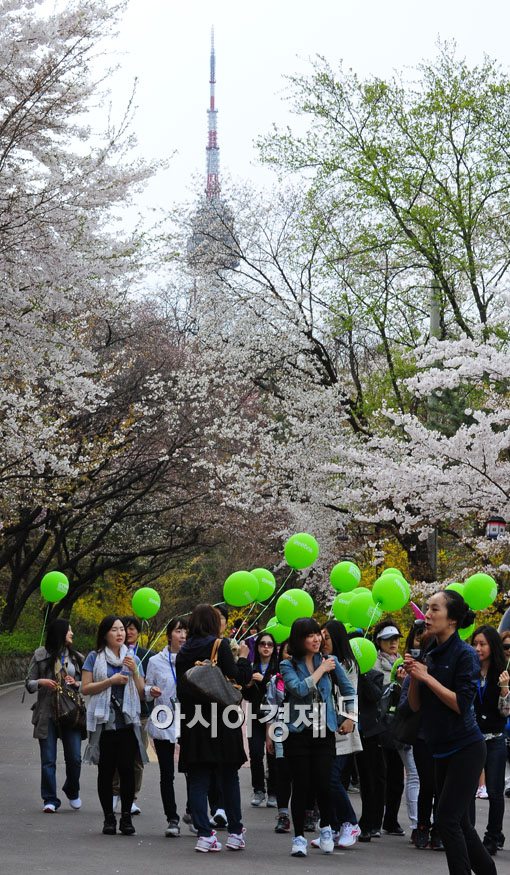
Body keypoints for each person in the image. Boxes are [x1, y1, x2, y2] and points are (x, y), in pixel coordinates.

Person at [405, 589, 497, 875]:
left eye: (434, 609)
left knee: (446, 819)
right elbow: (415, 705)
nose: (427, 615)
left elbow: (461, 704)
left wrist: (427, 677)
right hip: (439, 746)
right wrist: (413, 677)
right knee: (459, 822)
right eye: (427, 608)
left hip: (466, 747)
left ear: (452, 620)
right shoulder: (431, 652)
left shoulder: (465, 654)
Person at [176, 603, 253, 853]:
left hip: (194, 721)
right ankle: (234, 831)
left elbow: (181, 688)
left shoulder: (183, 651)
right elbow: (238, 678)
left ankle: (204, 834)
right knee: (228, 776)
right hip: (222, 719)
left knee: (198, 778)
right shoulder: (218, 646)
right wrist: (243, 657)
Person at [280, 617, 355, 858]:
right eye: (309, 635)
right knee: (301, 786)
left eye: (317, 634)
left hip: (324, 732)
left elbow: (349, 690)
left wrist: (350, 717)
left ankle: (326, 828)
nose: (316, 638)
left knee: (324, 783)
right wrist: (321, 670)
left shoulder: (332, 662)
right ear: (298, 640)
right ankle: (299, 837)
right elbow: (298, 689)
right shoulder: (288, 665)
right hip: (298, 732)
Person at [81, 615, 146, 836]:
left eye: (122, 630)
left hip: (128, 722)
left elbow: (140, 692)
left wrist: (135, 672)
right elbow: (86, 688)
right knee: (106, 771)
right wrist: (111, 680)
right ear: (105, 634)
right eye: (114, 630)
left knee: (127, 770)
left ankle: (126, 818)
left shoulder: (132, 658)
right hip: (103, 722)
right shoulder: (94, 657)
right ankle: (109, 818)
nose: (120, 633)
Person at [311, 620, 361, 849]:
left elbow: (351, 693)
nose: (322, 642)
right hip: (324, 728)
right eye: (320, 637)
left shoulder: (347, 664)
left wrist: (351, 718)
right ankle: (330, 827)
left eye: (327, 637)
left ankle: (350, 822)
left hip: (343, 729)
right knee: (323, 779)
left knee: (331, 778)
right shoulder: (320, 662)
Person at [25, 618, 84, 813]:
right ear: (60, 633)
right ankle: (50, 799)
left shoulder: (77, 657)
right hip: (47, 712)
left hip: (71, 712)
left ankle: (72, 789)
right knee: (48, 759)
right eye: (69, 630)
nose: (72, 634)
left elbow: (88, 684)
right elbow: (29, 684)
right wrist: (41, 681)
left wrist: (76, 683)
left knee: (75, 758)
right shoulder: (40, 655)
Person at [373, 616, 419, 838]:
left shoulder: (405, 662)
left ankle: (390, 819)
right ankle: (376, 818)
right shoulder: (373, 662)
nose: (393, 643)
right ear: (379, 641)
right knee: (380, 774)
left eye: (396, 639)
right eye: (387, 639)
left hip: (399, 726)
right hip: (380, 725)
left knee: (396, 776)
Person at [145, 617, 188, 837]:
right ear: (169, 634)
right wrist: (150, 690)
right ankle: (172, 818)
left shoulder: (192, 658)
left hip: (190, 721)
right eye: (179, 631)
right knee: (167, 774)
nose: (182, 636)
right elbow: (146, 686)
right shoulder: (155, 661)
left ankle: (192, 811)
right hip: (163, 719)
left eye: (186, 632)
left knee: (193, 770)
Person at [470, 624, 510, 855]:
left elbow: (506, 712)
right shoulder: (469, 670)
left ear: (492, 646)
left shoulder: (501, 672)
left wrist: (505, 689)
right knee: (467, 791)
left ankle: (493, 835)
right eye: (475, 643)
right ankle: (469, 834)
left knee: (494, 791)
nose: (478, 648)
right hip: (471, 738)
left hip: (494, 739)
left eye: (483, 644)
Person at [111, 615, 154, 815]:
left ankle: (132, 796)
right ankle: (114, 792)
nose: (127, 632)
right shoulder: (110, 655)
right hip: (117, 712)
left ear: (138, 632)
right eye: (123, 628)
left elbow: (146, 687)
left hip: (141, 713)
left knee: (137, 756)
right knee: (116, 755)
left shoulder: (146, 656)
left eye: (132, 629)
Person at [243, 631, 279, 807]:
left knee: (273, 754)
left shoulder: (279, 667)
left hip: (274, 715)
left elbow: (280, 692)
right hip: (255, 714)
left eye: (269, 644)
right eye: (262, 644)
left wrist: (264, 680)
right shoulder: (251, 666)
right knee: (256, 753)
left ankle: (273, 791)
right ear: (256, 647)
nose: (266, 647)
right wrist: (248, 684)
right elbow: (245, 694)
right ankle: (258, 790)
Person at [266, 640, 293, 834]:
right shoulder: (275, 681)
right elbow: (270, 708)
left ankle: (309, 812)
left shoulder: (310, 674)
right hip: (280, 730)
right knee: (282, 772)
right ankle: (283, 815)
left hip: (304, 730)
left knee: (302, 774)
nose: (290, 655)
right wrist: (269, 734)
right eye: (287, 652)